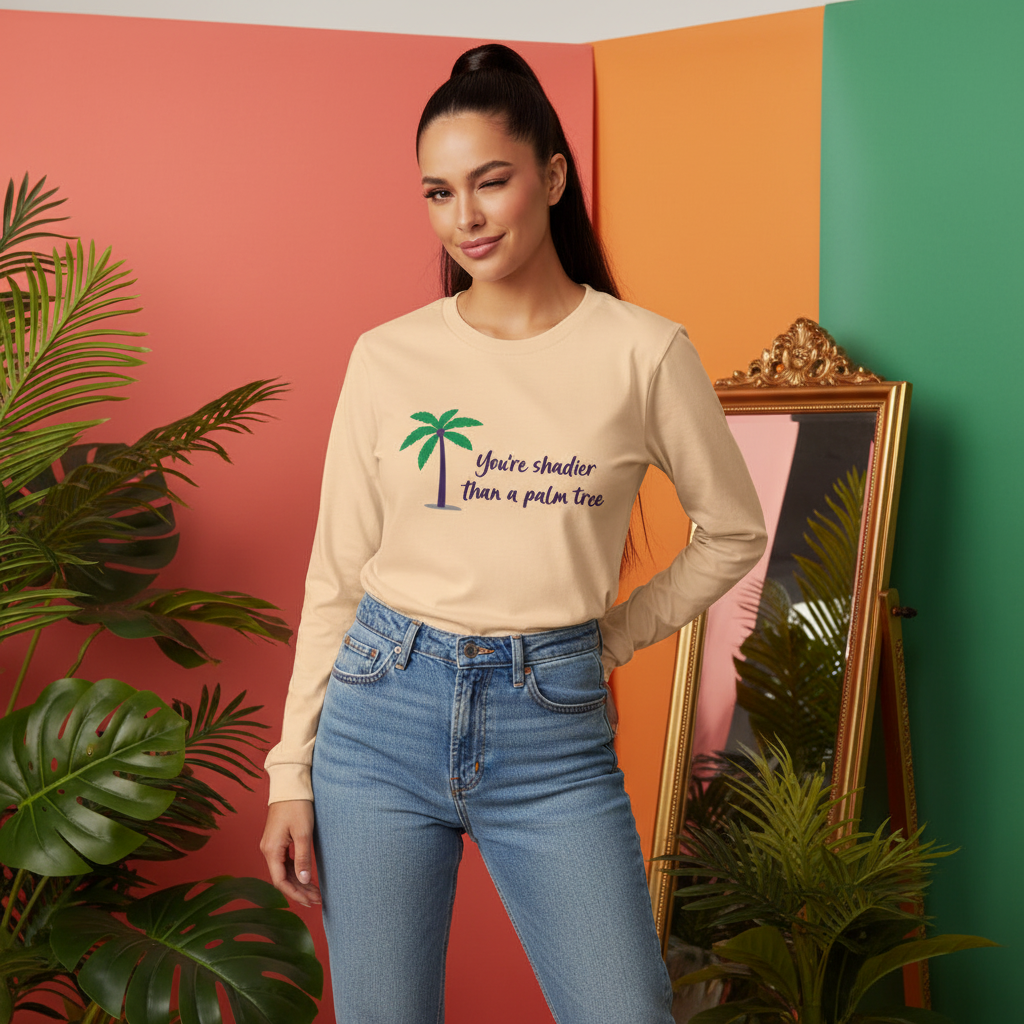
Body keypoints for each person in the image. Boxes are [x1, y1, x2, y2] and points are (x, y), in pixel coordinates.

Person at [260, 42, 767, 1024]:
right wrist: (291, 772)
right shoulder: (389, 357)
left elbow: (732, 532)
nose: (467, 218)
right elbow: (336, 578)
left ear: (551, 176)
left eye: (489, 182)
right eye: (438, 193)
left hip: (553, 732)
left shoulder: (642, 351)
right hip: (380, 715)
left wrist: (610, 635)